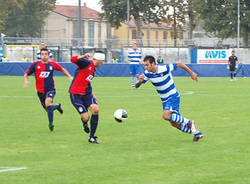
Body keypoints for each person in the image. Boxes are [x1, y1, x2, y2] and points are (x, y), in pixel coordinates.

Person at [135, 55, 203, 142]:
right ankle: (197, 133)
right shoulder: (147, 73)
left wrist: (191, 73)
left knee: (166, 115)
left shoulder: (164, 68)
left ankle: (189, 122)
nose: (146, 67)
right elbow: (137, 86)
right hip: (164, 101)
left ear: (153, 64)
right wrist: (139, 82)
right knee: (174, 123)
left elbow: (179, 64)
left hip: (172, 96)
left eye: (147, 65)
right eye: (145, 65)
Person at [24, 48, 73, 131]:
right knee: (48, 109)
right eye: (42, 54)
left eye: (46, 54)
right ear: (40, 55)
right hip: (40, 92)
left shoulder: (52, 64)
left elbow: (62, 69)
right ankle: (57, 106)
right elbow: (26, 74)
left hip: (50, 89)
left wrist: (69, 76)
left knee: (48, 104)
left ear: (48, 55)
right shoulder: (35, 65)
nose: (44, 56)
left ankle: (51, 124)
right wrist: (26, 80)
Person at [69, 51, 105, 144]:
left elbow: (87, 82)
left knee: (96, 110)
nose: (103, 63)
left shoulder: (93, 69)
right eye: (102, 61)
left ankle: (92, 137)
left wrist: (93, 94)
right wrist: (83, 56)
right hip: (76, 94)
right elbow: (72, 59)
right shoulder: (86, 63)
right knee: (86, 117)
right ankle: (84, 123)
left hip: (87, 94)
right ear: (98, 60)